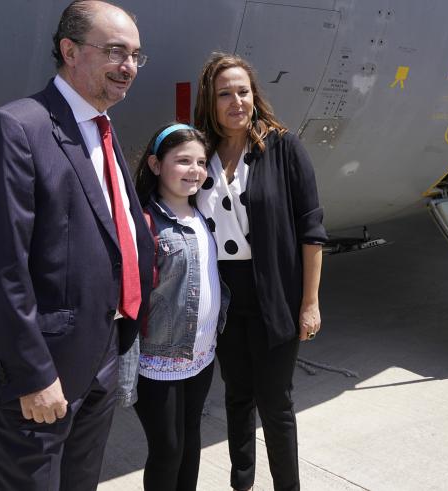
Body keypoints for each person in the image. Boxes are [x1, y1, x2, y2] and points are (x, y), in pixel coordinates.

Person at [0, 2, 154, 489]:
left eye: (137, 56)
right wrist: (32, 374)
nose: (129, 67)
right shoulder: (16, 128)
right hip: (41, 377)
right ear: (69, 51)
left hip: (99, 358)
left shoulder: (101, 128)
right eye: (116, 51)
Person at [194, 52, 326, 491]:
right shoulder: (202, 155)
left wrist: (309, 303)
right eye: (224, 94)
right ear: (210, 103)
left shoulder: (283, 146)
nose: (236, 102)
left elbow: (312, 229)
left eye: (243, 92)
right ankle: (242, 483)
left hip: (274, 295)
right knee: (236, 395)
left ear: (255, 96)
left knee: (275, 402)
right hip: (225, 297)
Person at [131, 123, 230, 491]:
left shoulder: (204, 213)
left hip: (201, 354)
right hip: (159, 359)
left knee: (190, 440)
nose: (195, 170)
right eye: (183, 160)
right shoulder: (144, 222)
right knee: (168, 449)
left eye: (201, 162)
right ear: (156, 165)